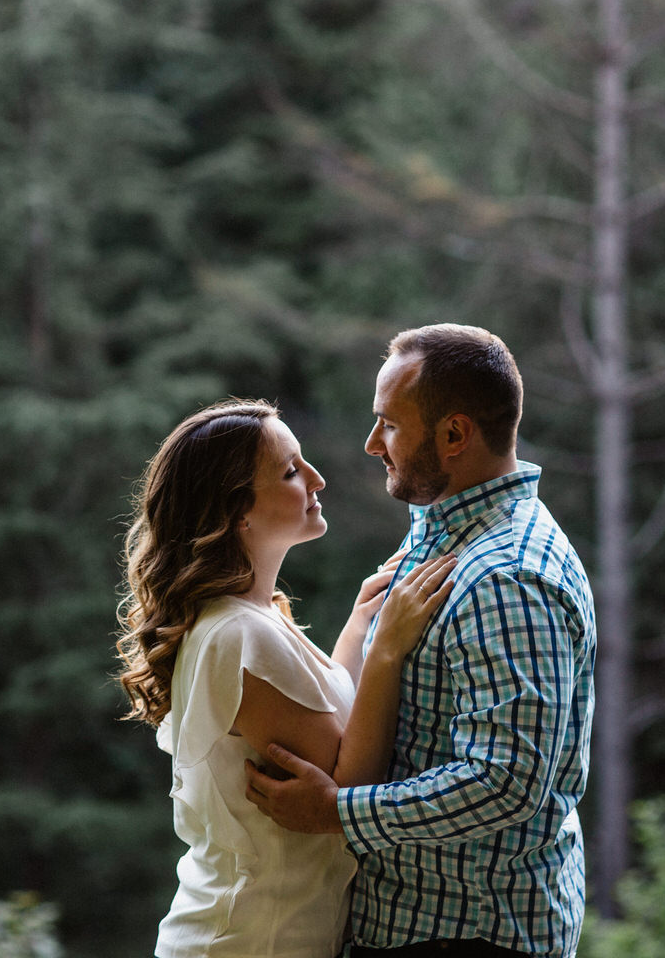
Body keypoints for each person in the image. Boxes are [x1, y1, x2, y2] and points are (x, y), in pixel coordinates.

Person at [244, 324, 597, 958]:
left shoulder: (507, 576)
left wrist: (339, 812)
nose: (372, 443)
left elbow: (506, 782)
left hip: (468, 936)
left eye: (390, 425)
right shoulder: (441, 527)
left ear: (455, 434)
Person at [117, 398, 458, 958]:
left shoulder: (249, 618)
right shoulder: (239, 637)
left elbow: (325, 720)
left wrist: (358, 625)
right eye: (292, 471)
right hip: (249, 941)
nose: (317, 478)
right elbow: (347, 785)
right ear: (238, 513)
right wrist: (388, 648)